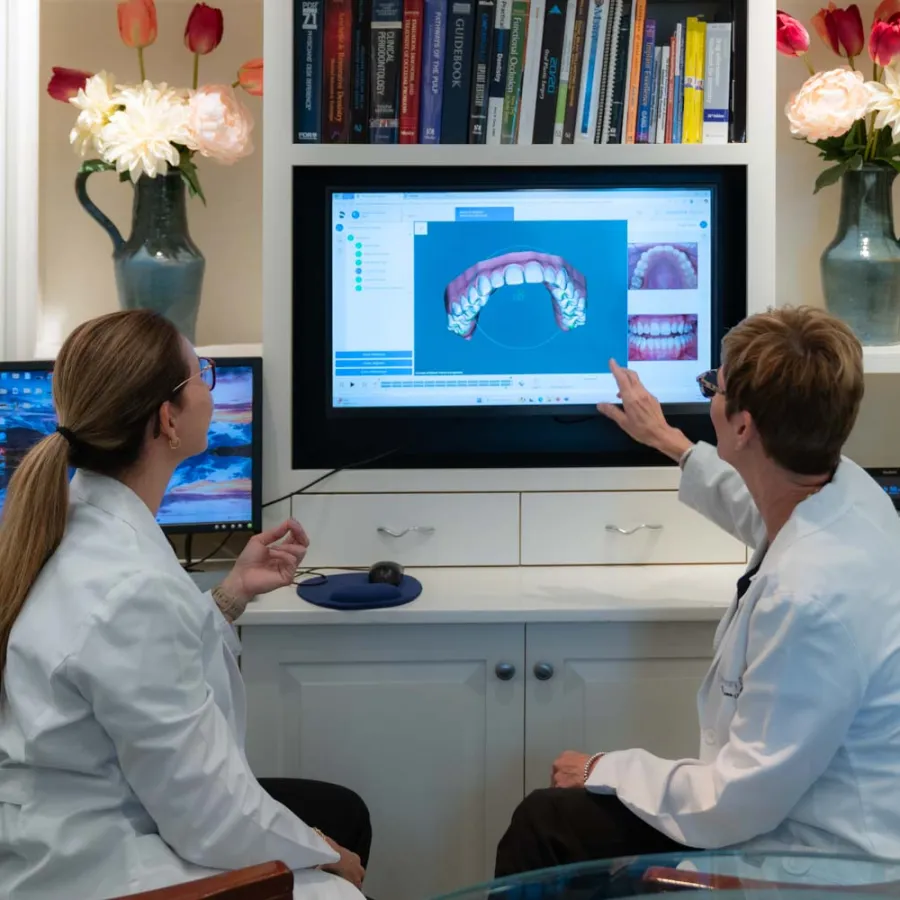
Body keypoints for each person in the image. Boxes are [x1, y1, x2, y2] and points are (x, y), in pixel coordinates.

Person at [496, 306, 900, 875]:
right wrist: (670, 441)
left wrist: (605, 767)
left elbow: (737, 802)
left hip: (815, 857)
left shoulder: (810, 597)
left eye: (714, 386)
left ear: (742, 427)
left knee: (547, 824)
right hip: (800, 804)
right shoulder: (851, 492)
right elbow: (764, 512)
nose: (710, 395)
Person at [0, 310, 370, 900]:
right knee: (338, 888)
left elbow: (133, 663)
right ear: (168, 419)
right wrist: (326, 853)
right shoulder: (130, 582)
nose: (209, 387)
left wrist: (228, 595)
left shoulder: (78, 528)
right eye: (202, 374)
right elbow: (208, 817)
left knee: (337, 811)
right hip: (100, 864)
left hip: (76, 821)